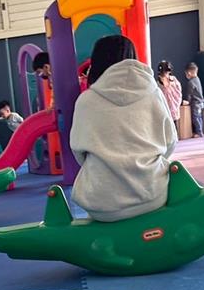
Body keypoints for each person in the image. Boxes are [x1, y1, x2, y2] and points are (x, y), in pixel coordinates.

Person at [69, 34, 177, 221]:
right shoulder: (154, 94)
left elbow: (78, 152)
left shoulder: (85, 101)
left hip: (102, 203)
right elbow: (170, 142)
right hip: (153, 194)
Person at [157, 60, 182, 131]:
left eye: (166, 72)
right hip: (164, 109)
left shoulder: (174, 80)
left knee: (174, 126)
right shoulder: (158, 83)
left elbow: (178, 91)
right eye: (164, 72)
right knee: (166, 127)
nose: (165, 74)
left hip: (173, 107)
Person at [183, 62, 204, 138]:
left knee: (196, 117)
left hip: (196, 103)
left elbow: (189, 94)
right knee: (199, 117)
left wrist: (187, 101)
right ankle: (200, 131)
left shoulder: (191, 82)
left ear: (188, 73)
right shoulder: (197, 79)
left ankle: (199, 132)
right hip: (201, 102)